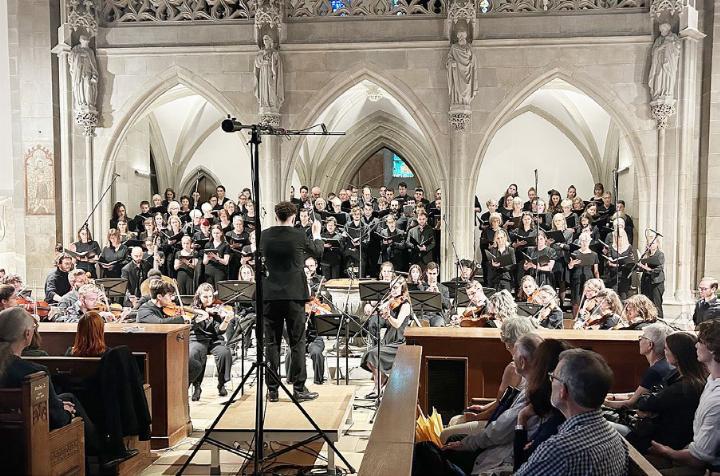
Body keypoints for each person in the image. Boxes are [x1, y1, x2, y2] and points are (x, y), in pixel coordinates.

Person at [0, 308, 140, 468]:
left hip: (9, 426)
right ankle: (105, 451)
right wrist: (64, 410)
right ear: (27, 335)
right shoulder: (34, 373)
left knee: (67, 397)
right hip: (28, 438)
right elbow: (58, 419)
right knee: (71, 406)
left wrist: (59, 404)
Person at [413, 334, 543, 476]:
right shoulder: (533, 387)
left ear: (523, 362)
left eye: (514, 355)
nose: (512, 358)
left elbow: (498, 431)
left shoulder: (533, 395)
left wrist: (467, 443)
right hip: (496, 448)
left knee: (426, 450)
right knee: (448, 442)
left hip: (499, 461)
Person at [517, 349, 629, 475]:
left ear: (563, 391)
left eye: (552, 377)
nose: (550, 382)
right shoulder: (614, 436)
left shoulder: (557, 450)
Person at [260, 201, 323, 403]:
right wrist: (317, 232)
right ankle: (298, 388)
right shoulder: (298, 235)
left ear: (276, 215)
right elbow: (317, 251)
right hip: (294, 294)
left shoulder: (265, 235)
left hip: (269, 294)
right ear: (293, 217)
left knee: (271, 342)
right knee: (297, 341)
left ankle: (272, 390)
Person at [650, 320, 720, 473]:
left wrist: (666, 451)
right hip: (691, 451)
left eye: (700, 341)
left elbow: (698, 460)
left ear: (713, 348)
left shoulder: (717, 401)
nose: (695, 345)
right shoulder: (711, 379)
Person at [621, 332, 706, 455]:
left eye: (666, 349)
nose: (664, 352)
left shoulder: (683, 387)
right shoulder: (692, 377)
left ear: (677, 355)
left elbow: (644, 403)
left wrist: (650, 410)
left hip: (664, 441)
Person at [513, 339, 573, 470]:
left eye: (553, 377)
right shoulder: (562, 417)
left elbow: (519, 468)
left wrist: (521, 419)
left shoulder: (555, 433)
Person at [361, 277, 412, 399]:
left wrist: (388, 316)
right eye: (391, 288)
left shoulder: (405, 305)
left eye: (395, 288)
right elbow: (377, 310)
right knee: (368, 356)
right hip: (388, 339)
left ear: (402, 288)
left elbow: (397, 324)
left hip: (399, 341)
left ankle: (378, 386)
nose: (392, 291)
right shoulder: (391, 301)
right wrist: (371, 310)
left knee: (374, 354)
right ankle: (381, 379)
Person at [605, 323, 674, 410]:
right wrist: (613, 396)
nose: (639, 340)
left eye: (642, 338)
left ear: (650, 345)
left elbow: (631, 404)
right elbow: (639, 394)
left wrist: (602, 402)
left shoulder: (655, 371)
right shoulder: (666, 364)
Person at [188, 283, 234, 401]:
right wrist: (198, 319)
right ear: (199, 297)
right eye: (205, 297)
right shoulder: (193, 309)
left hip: (214, 339)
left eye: (210, 296)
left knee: (224, 352)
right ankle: (197, 386)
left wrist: (226, 321)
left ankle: (221, 383)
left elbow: (219, 331)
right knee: (194, 353)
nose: (208, 300)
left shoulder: (217, 309)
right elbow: (190, 327)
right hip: (198, 339)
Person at [638, 237, 665, 318]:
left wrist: (648, 269)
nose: (650, 245)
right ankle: (647, 319)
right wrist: (640, 267)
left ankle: (659, 320)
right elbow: (642, 267)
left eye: (652, 243)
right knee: (646, 302)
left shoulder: (660, 254)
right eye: (649, 243)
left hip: (656, 282)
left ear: (657, 244)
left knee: (656, 303)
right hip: (646, 281)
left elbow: (659, 268)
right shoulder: (646, 254)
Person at [418, 262, 450, 327]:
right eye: (430, 273)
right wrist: (426, 293)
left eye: (434, 274)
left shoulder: (444, 288)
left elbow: (447, 305)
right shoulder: (420, 287)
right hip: (423, 315)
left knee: (439, 324)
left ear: (437, 273)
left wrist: (439, 294)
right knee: (422, 324)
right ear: (426, 273)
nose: (432, 276)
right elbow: (416, 305)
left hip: (437, 315)